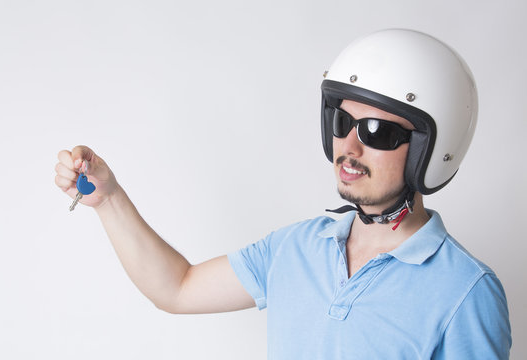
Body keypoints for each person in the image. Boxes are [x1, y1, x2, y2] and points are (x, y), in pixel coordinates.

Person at [54, 29, 511, 359]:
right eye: (341, 123)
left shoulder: (465, 291)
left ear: (431, 150)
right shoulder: (297, 247)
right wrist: (109, 198)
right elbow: (176, 288)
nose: (348, 148)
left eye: (376, 131)